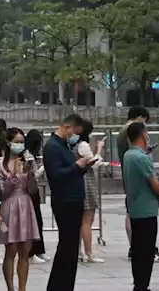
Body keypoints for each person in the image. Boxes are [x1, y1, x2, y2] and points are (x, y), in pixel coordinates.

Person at [43, 113, 96, 291]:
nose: (75, 136)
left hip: (74, 200)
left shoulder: (64, 145)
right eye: (75, 131)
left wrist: (83, 167)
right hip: (65, 201)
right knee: (67, 246)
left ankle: (65, 285)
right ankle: (59, 285)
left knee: (71, 247)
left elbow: (70, 172)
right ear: (67, 128)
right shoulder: (52, 147)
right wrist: (77, 166)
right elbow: (56, 175)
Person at [117, 107, 159, 264]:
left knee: (131, 209)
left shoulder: (124, 132)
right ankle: (138, 248)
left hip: (131, 172)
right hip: (137, 178)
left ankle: (137, 248)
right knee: (134, 213)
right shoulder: (130, 132)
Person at [122, 121, 159, 291]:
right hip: (146, 210)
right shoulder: (141, 158)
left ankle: (138, 284)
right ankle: (142, 286)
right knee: (146, 252)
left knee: (138, 250)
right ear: (142, 134)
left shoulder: (128, 155)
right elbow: (154, 184)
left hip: (135, 208)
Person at [0, 129, 39, 291]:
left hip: (26, 205)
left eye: (22, 142)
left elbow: (34, 190)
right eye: (17, 141)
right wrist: (13, 175)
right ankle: (10, 288)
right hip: (10, 206)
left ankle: (23, 287)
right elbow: (2, 192)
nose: (20, 145)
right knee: (11, 250)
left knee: (25, 251)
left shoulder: (28, 161)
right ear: (8, 142)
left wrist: (29, 174)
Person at [73, 121, 104, 264]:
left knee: (80, 220)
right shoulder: (83, 145)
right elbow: (94, 162)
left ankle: (79, 252)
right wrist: (99, 149)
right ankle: (89, 252)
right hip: (86, 180)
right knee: (87, 219)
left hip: (77, 180)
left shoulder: (71, 143)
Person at [22, 129, 48, 264]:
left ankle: (39, 250)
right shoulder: (27, 156)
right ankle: (31, 252)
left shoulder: (31, 154)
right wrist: (44, 168)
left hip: (34, 190)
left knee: (38, 221)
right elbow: (33, 175)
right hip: (29, 191)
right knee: (33, 222)